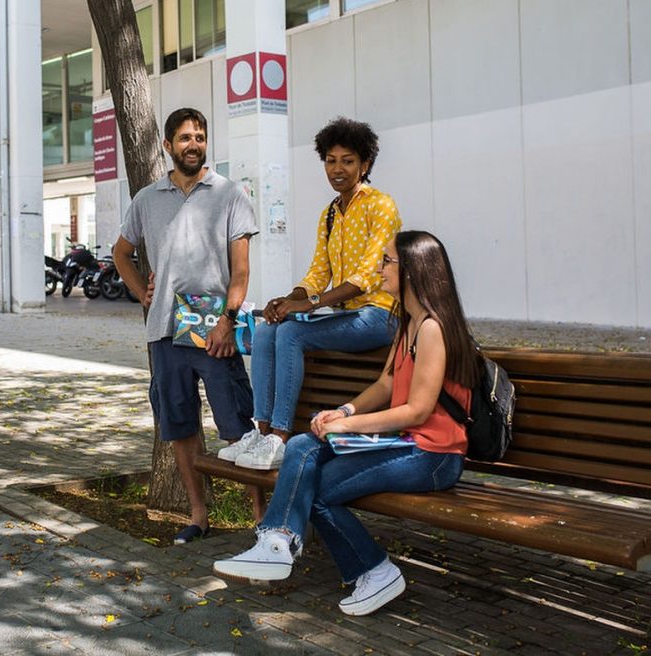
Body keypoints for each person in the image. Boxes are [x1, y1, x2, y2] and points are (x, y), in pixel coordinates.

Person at [213, 230, 482, 616]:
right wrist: (345, 412)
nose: (380, 268)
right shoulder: (408, 323)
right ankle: (274, 542)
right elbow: (387, 383)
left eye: (387, 261)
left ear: (413, 270)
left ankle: (373, 570)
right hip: (408, 445)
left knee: (316, 489)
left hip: (434, 456)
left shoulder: (433, 329)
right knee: (304, 445)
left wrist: (349, 427)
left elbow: (419, 411)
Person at [113, 107, 259, 545]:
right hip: (164, 330)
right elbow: (122, 253)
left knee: (237, 426)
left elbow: (241, 271)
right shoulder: (146, 199)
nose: (192, 144)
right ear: (168, 145)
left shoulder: (230, 194)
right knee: (180, 427)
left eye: (199, 136)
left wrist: (228, 321)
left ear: (206, 142)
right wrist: (142, 290)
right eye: (184, 138)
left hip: (213, 326)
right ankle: (198, 516)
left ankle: (260, 516)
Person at [220, 117, 401, 471]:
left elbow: (365, 277)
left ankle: (282, 439)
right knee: (270, 328)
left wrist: (306, 305)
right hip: (347, 318)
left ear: (365, 165)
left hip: (379, 316)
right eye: (330, 161)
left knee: (291, 332)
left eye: (347, 161)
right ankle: (263, 430)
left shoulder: (381, 205)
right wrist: (287, 300)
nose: (337, 169)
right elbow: (318, 273)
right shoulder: (331, 214)